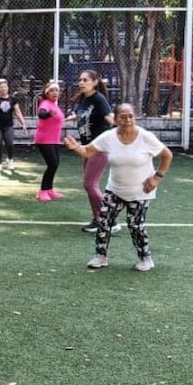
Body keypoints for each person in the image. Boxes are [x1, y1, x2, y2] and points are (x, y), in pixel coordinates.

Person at [63, 103, 173, 271]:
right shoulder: (108, 137)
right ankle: (100, 257)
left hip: (141, 191)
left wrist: (157, 178)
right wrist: (76, 147)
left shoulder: (145, 136)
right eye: (123, 117)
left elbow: (167, 155)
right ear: (115, 119)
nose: (128, 120)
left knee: (135, 225)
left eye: (131, 116)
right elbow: (87, 152)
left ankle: (145, 258)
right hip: (115, 189)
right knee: (104, 221)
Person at [70, 69, 116, 233]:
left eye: (85, 80)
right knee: (89, 186)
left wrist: (124, 129)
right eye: (80, 80)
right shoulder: (83, 99)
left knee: (90, 184)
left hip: (99, 147)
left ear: (95, 82)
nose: (81, 82)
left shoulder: (98, 98)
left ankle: (110, 219)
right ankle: (98, 220)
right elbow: (80, 115)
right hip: (86, 149)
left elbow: (109, 117)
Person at [33, 81, 70, 201]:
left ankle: (49, 190)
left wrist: (71, 117)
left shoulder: (55, 104)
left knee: (55, 165)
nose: (55, 93)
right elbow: (41, 114)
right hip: (44, 139)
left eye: (57, 90)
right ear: (46, 92)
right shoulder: (46, 103)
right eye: (52, 90)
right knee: (52, 164)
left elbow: (58, 119)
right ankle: (42, 191)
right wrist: (48, 114)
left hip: (54, 140)